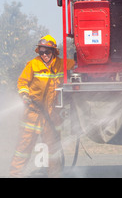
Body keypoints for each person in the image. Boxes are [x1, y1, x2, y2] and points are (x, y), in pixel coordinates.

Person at [10, 35, 75, 177]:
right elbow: (22, 83)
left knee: (54, 149)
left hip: (52, 115)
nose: (44, 55)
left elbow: (77, 64)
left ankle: (55, 174)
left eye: (47, 52)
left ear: (54, 52)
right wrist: (25, 95)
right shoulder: (33, 64)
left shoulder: (61, 64)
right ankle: (15, 174)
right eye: (41, 52)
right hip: (32, 113)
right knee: (24, 147)